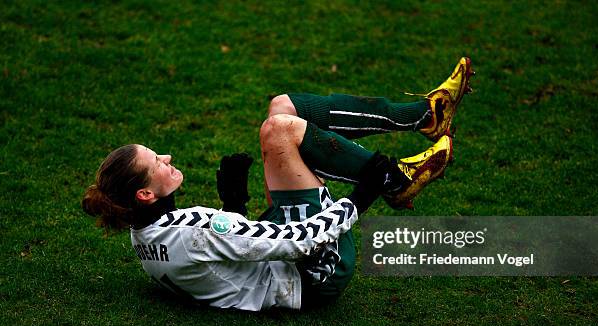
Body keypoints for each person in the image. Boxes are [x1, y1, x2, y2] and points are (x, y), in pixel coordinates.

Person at [82, 57, 474, 311]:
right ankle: (395, 176)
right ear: (145, 194)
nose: (166, 158)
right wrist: (361, 196)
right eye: (156, 162)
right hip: (317, 271)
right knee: (280, 128)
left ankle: (424, 116)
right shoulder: (193, 229)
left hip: (283, 257)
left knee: (282, 109)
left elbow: (221, 256)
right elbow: (296, 241)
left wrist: (234, 205)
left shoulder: (142, 233)